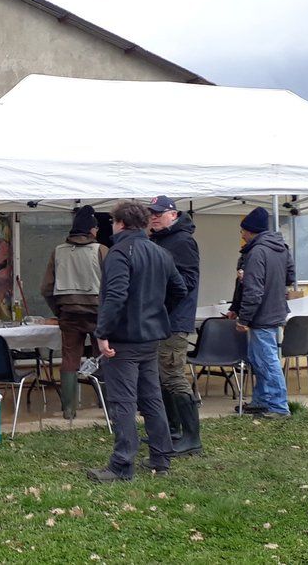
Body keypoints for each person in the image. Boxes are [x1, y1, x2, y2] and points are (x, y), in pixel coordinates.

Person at [86, 201, 187, 483]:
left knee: (123, 401)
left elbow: (116, 295)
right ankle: (160, 458)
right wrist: (156, 309)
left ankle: (122, 464)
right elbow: (180, 289)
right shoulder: (160, 253)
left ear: (118, 223)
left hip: (123, 339)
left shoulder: (119, 253)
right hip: (151, 336)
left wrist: (102, 332)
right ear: (143, 223)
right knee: (152, 398)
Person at [146, 195, 203, 456]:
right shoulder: (160, 240)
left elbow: (186, 282)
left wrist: (160, 302)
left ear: (174, 214)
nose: (154, 217)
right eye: (152, 213)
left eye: (160, 213)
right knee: (162, 376)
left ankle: (192, 438)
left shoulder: (182, 241)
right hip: (161, 319)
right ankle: (173, 431)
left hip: (174, 320)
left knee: (173, 375)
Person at [41, 205, 109, 420]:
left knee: (70, 358)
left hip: (69, 313)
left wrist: (59, 310)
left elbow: (46, 288)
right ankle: (107, 405)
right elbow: (111, 285)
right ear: (92, 230)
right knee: (104, 355)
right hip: (98, 313)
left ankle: (68, 410)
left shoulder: (57, 251)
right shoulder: (101, 250)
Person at [227, 207, 296, 419]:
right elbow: (289, 278)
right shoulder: (281, 248)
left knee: (266, 360)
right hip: (275, 310)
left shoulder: (256, 252)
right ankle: (261, 401)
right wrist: (236, 307)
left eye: (243, 232)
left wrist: (244, 317)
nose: (242, 236)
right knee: (259, 359)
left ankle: (278, 406)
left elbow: (254, 290)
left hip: (261, 315)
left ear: (251, 231)